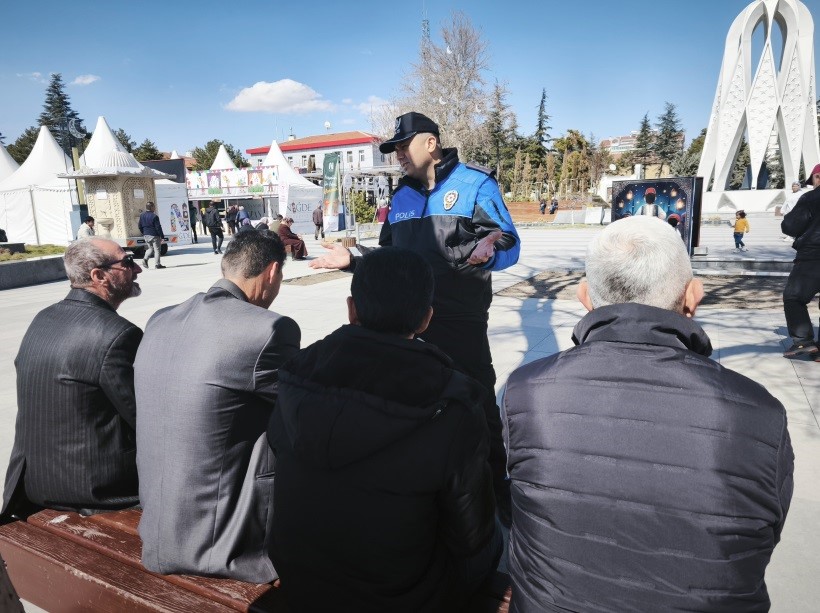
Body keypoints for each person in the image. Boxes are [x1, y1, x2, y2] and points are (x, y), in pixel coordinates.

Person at [503, 216, 793, 612]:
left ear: (585, 296)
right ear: (693, 296)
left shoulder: (525, 391)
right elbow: (763, 532)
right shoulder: (758, 412)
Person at [309, 112, 520, 520]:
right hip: (407, 324)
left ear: (430, 143)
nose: (398, 154)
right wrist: (352, 258)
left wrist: (492, 248)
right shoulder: (401, 196)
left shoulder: (475, 183)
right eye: (394, 149)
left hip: (461, 322)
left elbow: (510, 243)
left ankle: (497, 489)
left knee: (477, 406)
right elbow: (391, 258)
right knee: (416, 406)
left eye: (403, 146)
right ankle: (432, 489)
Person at [268, 247, 501, 611]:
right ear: (426, 319)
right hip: (403, 596)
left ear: (352, 309)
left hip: (299, 576)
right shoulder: (453, 399)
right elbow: (472, 535)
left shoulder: (297, 372)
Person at [135, 231, 300, 583]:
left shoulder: (161, 319)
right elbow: (305, 407)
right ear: (272, 273)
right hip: (221, 544)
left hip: (158, 523)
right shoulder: (268, 329)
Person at [2, 238, 144, 519]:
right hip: (96, 489)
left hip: (35, 480)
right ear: (99, 276)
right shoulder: (118, 335)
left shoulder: (44, 318)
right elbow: (144, 418)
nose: (137, 268)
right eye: (126, 262)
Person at [782, 163, 820, 358]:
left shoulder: (811, 197)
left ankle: (803, 341)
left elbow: (790, 225)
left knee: (794, 297)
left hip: (813, 256)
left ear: (817, 177)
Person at [138, 202, 166, 269]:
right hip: (154, 235)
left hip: (146, 235)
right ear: (151, 207)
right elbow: (158, 227)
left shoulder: (142, 215)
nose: (155, 208)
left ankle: (145, 259)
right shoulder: (154, 216)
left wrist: (143, 232)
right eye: (154, 206)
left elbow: (139, 226)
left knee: (150, 248)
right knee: (157, 250)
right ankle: (157, 265)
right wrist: (162, 236)